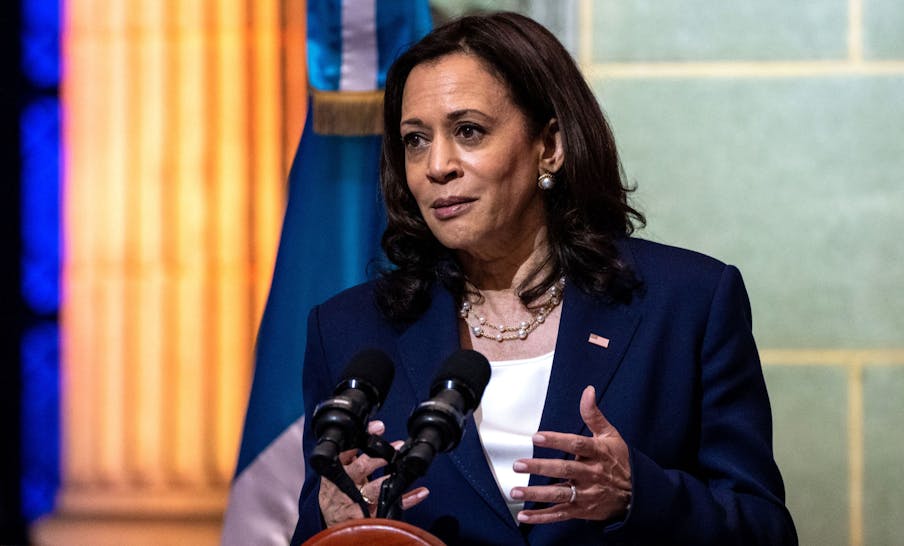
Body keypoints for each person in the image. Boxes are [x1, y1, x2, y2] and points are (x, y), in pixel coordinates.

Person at [292, 11, 797, 545]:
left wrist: (636, 494)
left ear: (549, 145)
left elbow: (764, 531)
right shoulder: (351, 330)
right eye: (416, 140)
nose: (437, 165)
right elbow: (312, 528)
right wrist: (330, 516)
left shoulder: (688, 302)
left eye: (468, 131)